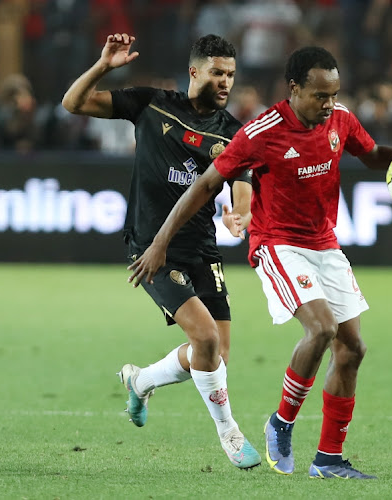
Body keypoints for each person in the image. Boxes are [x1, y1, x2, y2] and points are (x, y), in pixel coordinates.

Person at [127, 46, 392, 479]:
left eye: (334, 95)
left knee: (352, 349)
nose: (329, 105)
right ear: (294, 89)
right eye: (320, 96)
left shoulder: (339, 119)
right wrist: (160, 242)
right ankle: (280, 423)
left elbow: (373, 153)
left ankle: (327, 459)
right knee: (321, 328)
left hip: (325, 244)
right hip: (278, 244)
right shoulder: (260, 132)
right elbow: (206, 185)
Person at [61, 33, 261, 470]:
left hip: (202, 248)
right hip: (153, 248)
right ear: (194, 72)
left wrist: (239, 215)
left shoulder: (234, 133)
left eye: (230, 74)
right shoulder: (150, 105)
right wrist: (102, 67)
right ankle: (230, 433)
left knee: (216, 358)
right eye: (217, 72)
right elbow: (73, 103)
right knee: (205, 339)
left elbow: (243, 188)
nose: (226, 81)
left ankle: (140, 380)